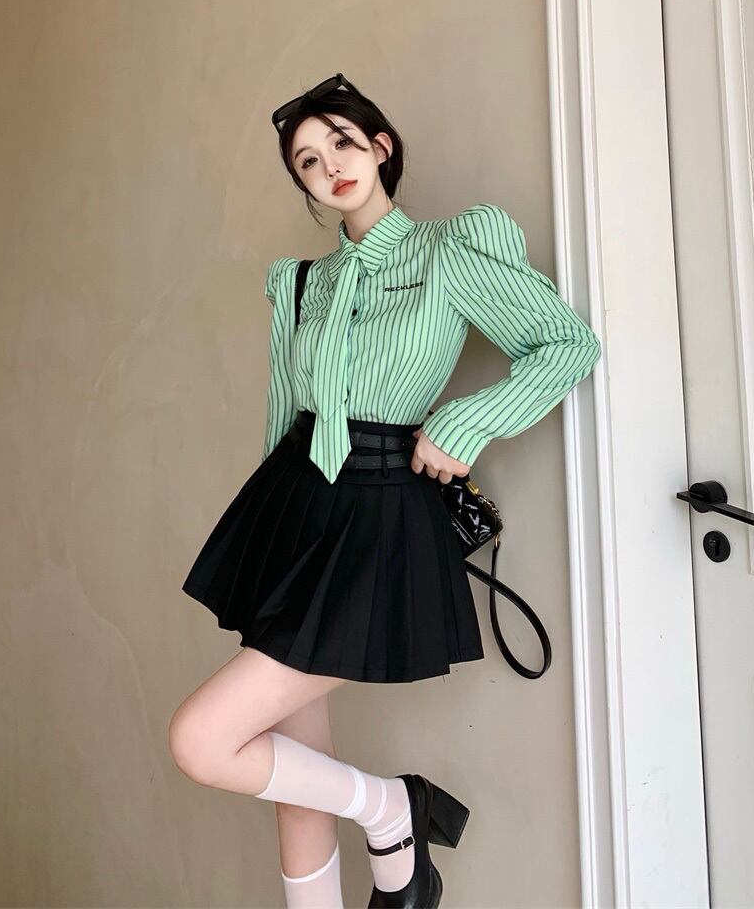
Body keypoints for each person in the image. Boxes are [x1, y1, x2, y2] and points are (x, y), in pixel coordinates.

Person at [169, 73, 602, 909]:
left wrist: (465, 423)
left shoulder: (446, 254)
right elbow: (280, 418)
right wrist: (263, 534)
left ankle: (393, 809)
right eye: (306, 160)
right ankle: (386, 825)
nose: (328, 164)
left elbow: (564, 344)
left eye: (339, 141)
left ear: (379, 145)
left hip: (375, 514)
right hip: (292, 506)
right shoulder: (300, 283)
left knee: (203, 740)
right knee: (298, 777)